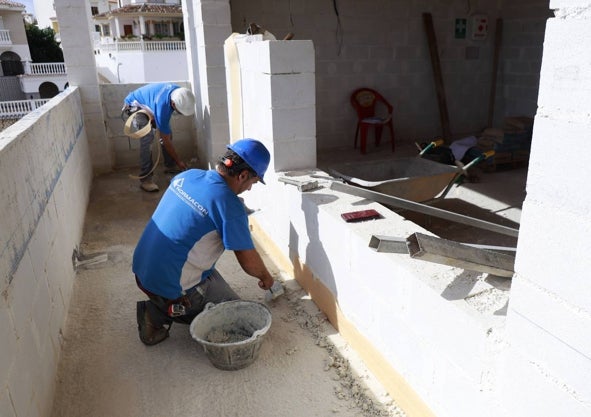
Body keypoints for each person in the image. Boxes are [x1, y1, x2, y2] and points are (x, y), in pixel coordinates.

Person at [132, 138, 275, 346]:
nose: (250, 189)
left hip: (141, 270)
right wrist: (266, 277)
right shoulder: (229, 206)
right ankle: (157, 313)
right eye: (253, 182)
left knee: (212, 275)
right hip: (164, 285)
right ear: (243, 175)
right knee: (236, 315)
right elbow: (248, 261)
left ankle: (164, 301)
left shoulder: (188, 176)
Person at [122, 83, 196, 192]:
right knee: (147, 138)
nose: (179, 113)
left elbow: (165, 134)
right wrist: (179, 161)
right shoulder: (163, 107)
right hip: (134, 106)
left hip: (151, 106)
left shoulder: (180, 93)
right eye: (179, 110)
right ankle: (145, 179)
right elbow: (165, 139)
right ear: (173, 103)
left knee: (167, 133)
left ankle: (170, 166)